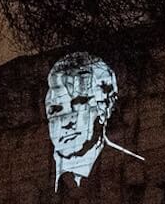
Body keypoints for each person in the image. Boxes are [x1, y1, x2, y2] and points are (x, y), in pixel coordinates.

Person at [45, 51, 144, 190]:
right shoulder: (31, 176)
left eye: (79, 103)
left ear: (105, 107)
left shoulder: (136, 168)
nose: (66, 122)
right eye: (55, 110)